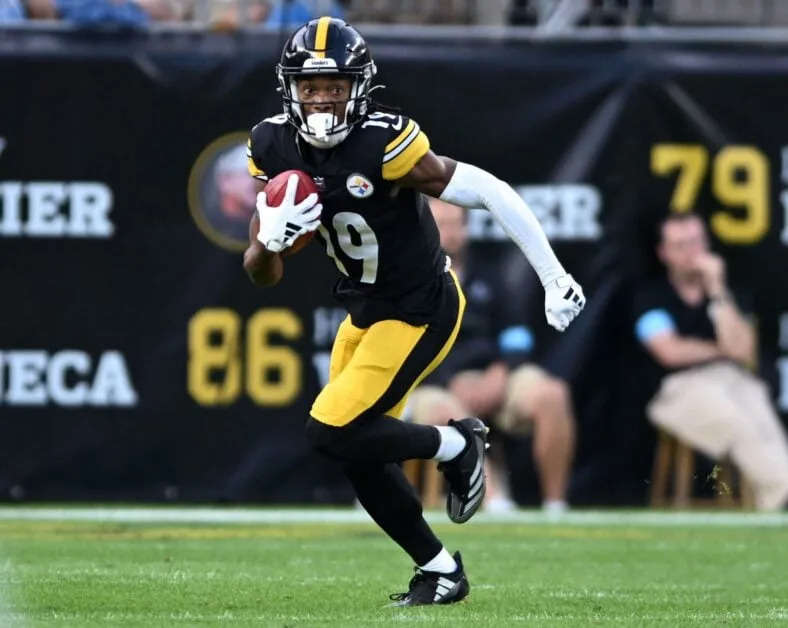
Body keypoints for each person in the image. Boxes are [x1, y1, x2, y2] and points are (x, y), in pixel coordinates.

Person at [243, 17, 585, 606]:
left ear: (360, 88)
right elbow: (261, 273)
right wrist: (267, 240)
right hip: (365, 313)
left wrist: (553, 277)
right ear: (290, 88)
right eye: (311, 86)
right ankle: (440, 570)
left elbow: (489, 190)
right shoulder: (270, 145)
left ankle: (457, 447)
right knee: (354, 446)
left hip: (421, 307)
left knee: (330, 429)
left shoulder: (385, 142)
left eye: (335, 86)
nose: (322, 99)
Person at [408, 197, 576, 516]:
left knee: (552, 395)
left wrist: (501, 372)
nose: (451, 233)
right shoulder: (407, 281)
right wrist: (449, 381)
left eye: (457, 224)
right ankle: (496, 500)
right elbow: (402, 348)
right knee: (445, 413)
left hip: (494, 376)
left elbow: (518, 335)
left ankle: (556, 507)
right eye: (442, 225)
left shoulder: (489, 276)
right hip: (432, 382)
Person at [634, 212, 788, 511]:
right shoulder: (651, 296)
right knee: (733, 419)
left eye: (696, 242)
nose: (691, 252)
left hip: (730, 378)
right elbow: (669, 352)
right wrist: (720, 349)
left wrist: (717, 290)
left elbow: (742, 351)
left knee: (762, 417)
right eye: (680, 245)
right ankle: (781, 492)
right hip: (675, 389)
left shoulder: (728, 295)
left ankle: (777, 495)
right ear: (664, 253)